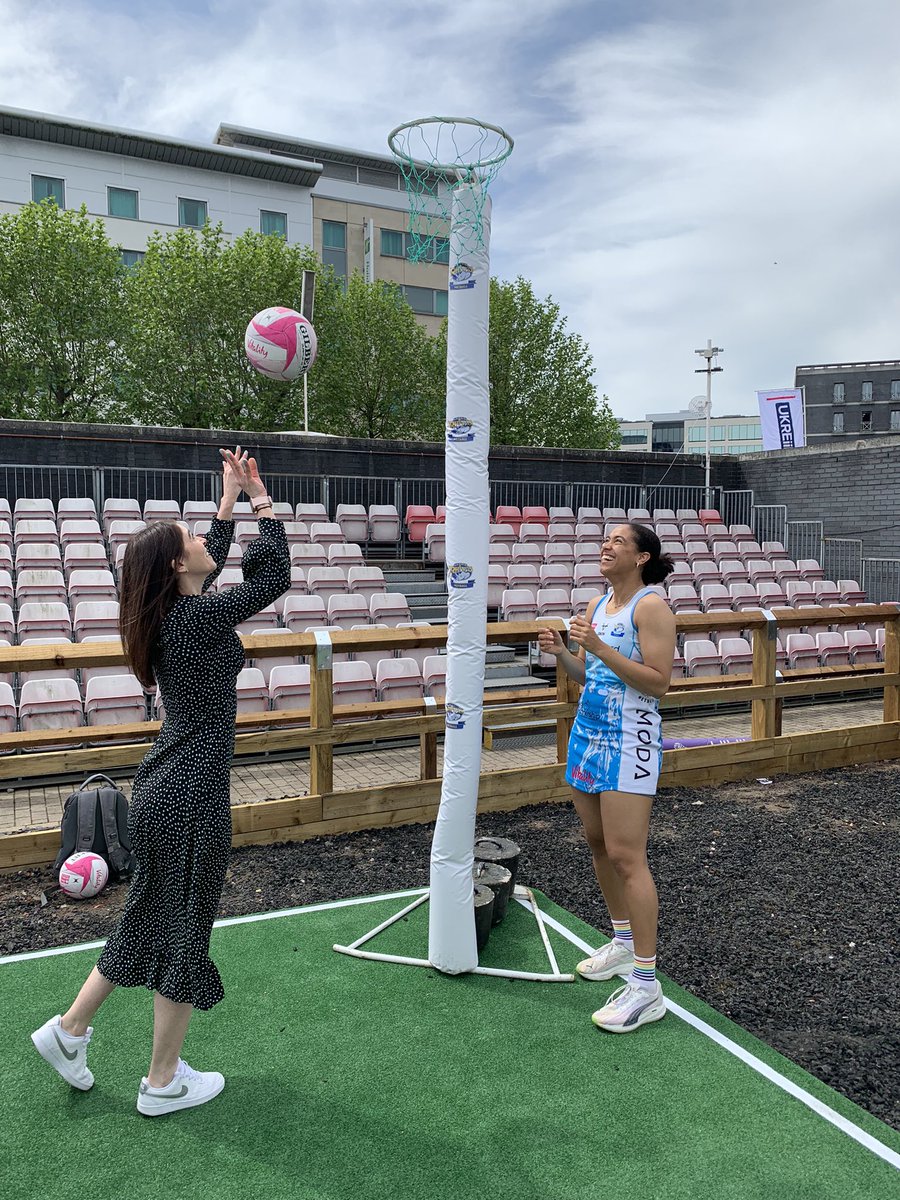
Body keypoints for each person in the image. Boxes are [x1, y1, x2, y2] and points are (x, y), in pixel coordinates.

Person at [32, 447, 291, 1115]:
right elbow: (274, 579)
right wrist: (263, 501)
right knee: (182, 931)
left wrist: (230, 500)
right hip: (191, 797)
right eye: (194, 540)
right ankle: (162, 1081)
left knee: (151, 916)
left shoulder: (174, 617)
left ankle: (70, 1029)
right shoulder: (196, 620)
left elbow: (209, 565)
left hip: (162, 793)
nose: (207, 540)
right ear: (178, 565)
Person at [538, 522, 675, 1032]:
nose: (607, 545)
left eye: (619, 541)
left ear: (641, 558)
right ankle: (621, 942)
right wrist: (563, 657)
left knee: (626, 856)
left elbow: (658, 684)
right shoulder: (597, 606)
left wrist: (595, 647)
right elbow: (590, 674)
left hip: (629, 741)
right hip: (587, 735)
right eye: (606, 539)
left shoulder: (651, 607)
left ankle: (646, 984)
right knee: (598, 845)